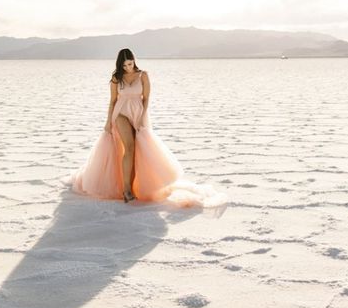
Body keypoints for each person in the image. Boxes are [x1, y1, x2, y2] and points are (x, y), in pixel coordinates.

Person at [70, 48, 229, 214]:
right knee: (129, 147)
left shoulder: (143, 75)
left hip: (138, 113)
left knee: (138, 152)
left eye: (129, 64)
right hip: (121, 113)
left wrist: (141, 118)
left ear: (134, 60)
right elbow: (112, 101)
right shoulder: (116, 78)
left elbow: (146, 99)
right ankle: (126, 190)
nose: (127, 68)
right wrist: (107, 121)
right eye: (123, 65)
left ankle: (134, 187)